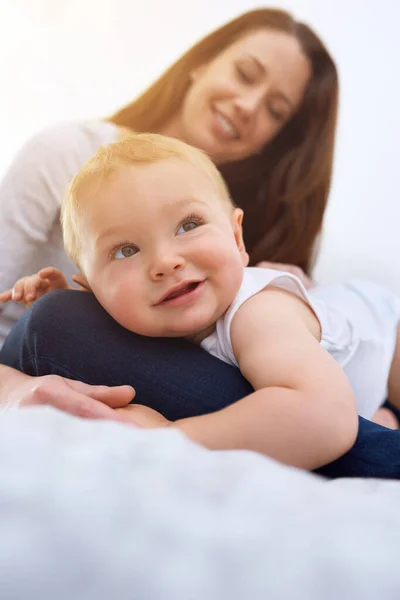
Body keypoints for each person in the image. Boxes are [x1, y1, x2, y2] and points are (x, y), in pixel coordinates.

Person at [0, 8, 339, 419]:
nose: (249, 105)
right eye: (245, 74)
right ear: (200, 62)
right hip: (37, 357)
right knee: (55, 318)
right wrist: (17, 388)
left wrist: (296, 302)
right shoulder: (64, 154)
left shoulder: (245, 225)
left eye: (276, 110)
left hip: (211, 395)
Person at [6, 133, 400, 470]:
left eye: (188, 225)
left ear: (237, 239)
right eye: (126, 251)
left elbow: (325, 418)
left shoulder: (258, 315)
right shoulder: (160, 314)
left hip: (382, 325)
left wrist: (169, 437)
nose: (165, 262)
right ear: (92, 293)